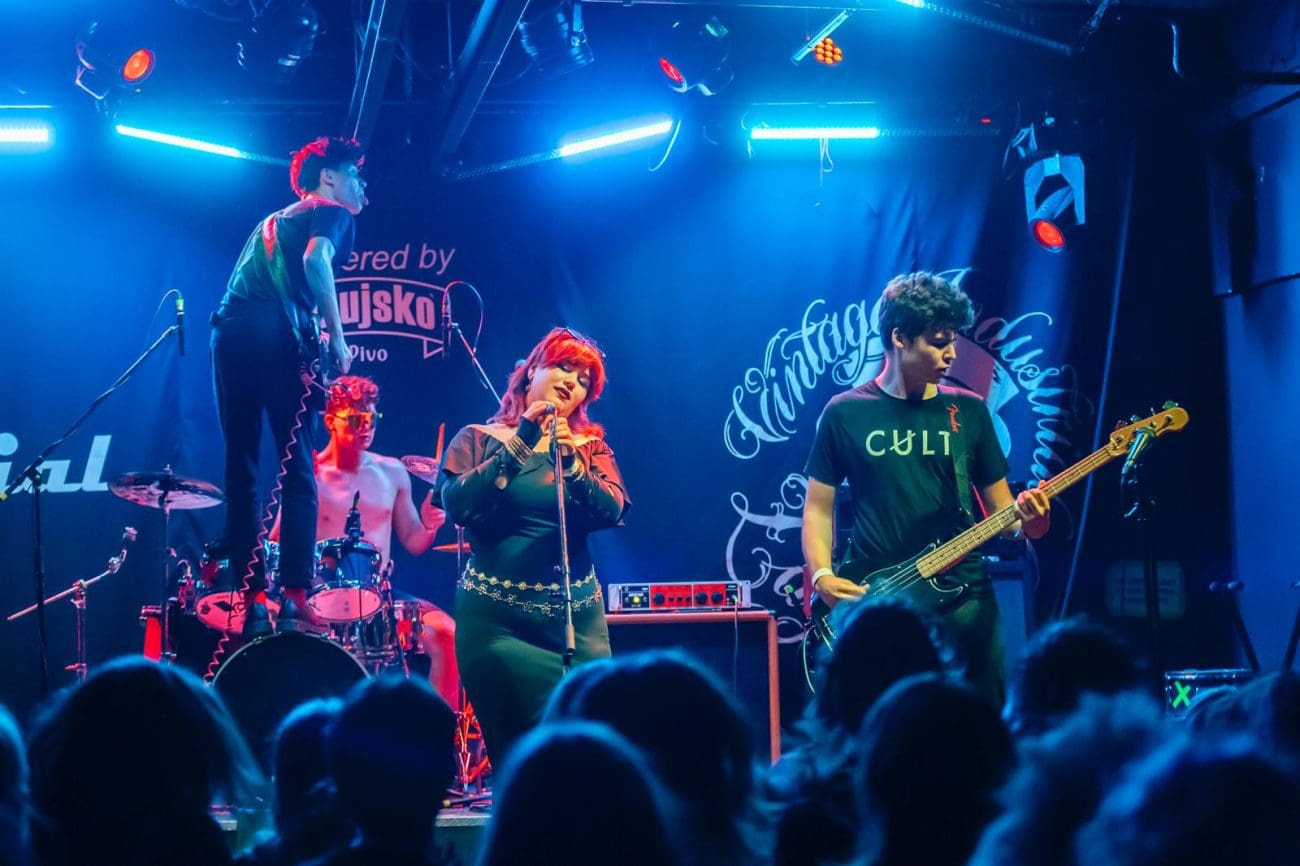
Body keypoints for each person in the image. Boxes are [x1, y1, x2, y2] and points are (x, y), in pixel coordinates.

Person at [802, 271, 1051, 704]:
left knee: (978, 722)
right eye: (938, 342)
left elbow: (1007, 517)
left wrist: (1032, 521)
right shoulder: (844, 412)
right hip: (878, 596)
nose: (952, 353)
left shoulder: (968, 410)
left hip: (964, 598)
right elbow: (818, 508)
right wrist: (822, 575)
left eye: (952, 340)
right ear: (899, 337)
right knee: (883, 723)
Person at [437, 327, 629, 770]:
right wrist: (521, 442)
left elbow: (613, 510)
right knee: (523, 762)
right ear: (530, 373)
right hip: (499, 627)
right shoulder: (479, 438)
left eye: (583, 380)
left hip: (577, 624)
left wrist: (573, 467)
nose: (572, 382)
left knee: (591, 754)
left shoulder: (589, 448)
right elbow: (458, 504)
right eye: (564, 367)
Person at [210, 136, 367, 617]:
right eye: (355, 175)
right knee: (297, 467)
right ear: (328, 178)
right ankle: (296, 598)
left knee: (241, 465)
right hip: (276, 339)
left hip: (229, 334)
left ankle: (252, 597)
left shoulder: (271, 222)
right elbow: (315, 261)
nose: (363, 186)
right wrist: (338, 338)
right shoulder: (330, 211)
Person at [271, 375, 456, 705]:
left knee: (447, 634)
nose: (366, 427)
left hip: (380, 598)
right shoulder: (308, 475)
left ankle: (439, 733)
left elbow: (414, 541)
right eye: (357, 420)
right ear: (331, 421)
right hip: (319, 599)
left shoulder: (393, 471)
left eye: (372, 418)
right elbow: (275, 544)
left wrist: (429, 525)